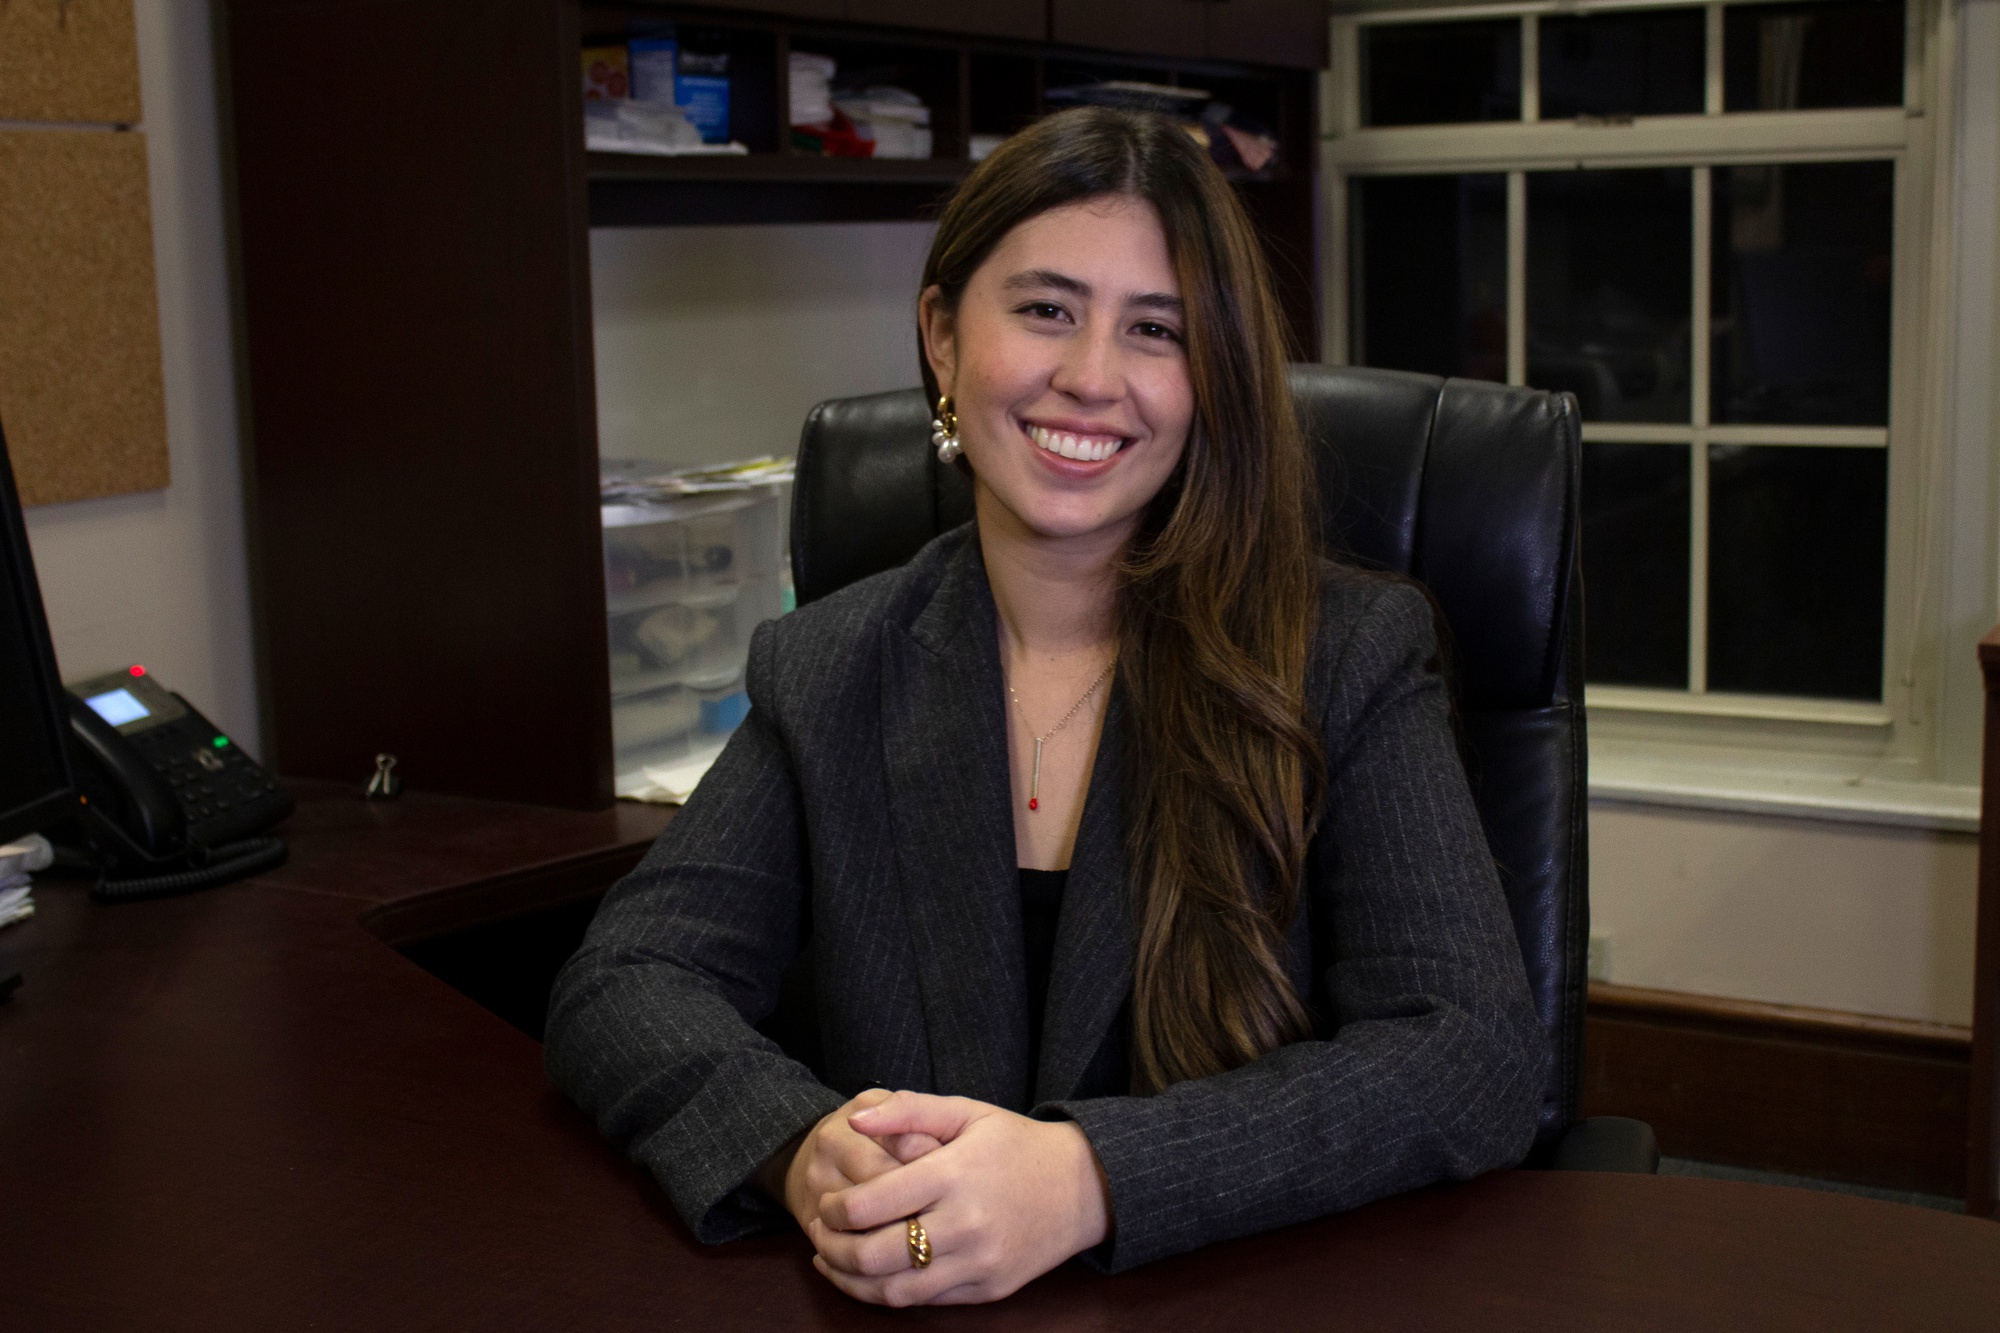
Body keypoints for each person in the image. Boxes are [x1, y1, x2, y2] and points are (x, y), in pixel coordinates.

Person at [545, 106, 1546, 1307]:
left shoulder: (1343, 656)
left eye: (1155, 330)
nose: (1091, 377)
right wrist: (803, 1149)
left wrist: (1087, 1177)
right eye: (1044, 309)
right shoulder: (831, 668)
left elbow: (1470, 1052)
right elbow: (626, 980)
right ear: (941, 337)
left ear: (1209, 374)